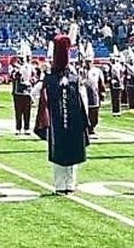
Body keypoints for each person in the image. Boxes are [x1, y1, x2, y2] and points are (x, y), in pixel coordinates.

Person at [34, 25, 89, 195]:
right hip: (57, 121)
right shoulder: (50, 79)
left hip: (73, 121)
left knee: (72, 151)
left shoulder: (73, 77)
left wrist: (84, 117)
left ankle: (70, 184)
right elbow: (36, 93)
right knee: (59, 152)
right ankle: (60, 184)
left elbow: (82, 97)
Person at [80, 42, 104, 138]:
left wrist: (102, 93)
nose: (88, 63)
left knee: (94, 111)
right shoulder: (81, 71)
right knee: (85, 111)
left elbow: (101, 83)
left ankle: (92, 128)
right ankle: (86, 128)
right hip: (84, 94)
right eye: (87, 62)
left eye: (90, 61)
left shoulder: (97, 71)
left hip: (94, 94)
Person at [11, 40, 35, 136]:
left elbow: (34, 77)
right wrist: (18, 72)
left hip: (28, 91)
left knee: (27, 111)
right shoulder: (15, 67)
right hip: (18, 91)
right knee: (18, 111)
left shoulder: (29, 67)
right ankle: (18, 127)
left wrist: (32, 79)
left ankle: (27, 128)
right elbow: (12, 76)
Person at [108, 47, 124, 117]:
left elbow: (121, 75)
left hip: (119, 83)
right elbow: (108, 75)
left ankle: (118, 111)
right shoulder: (110, 66)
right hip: (113, 84)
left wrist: (121, 82)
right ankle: (114, 111)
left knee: (118, 98)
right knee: (113, 98)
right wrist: (110, 79)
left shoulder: (119, 66)